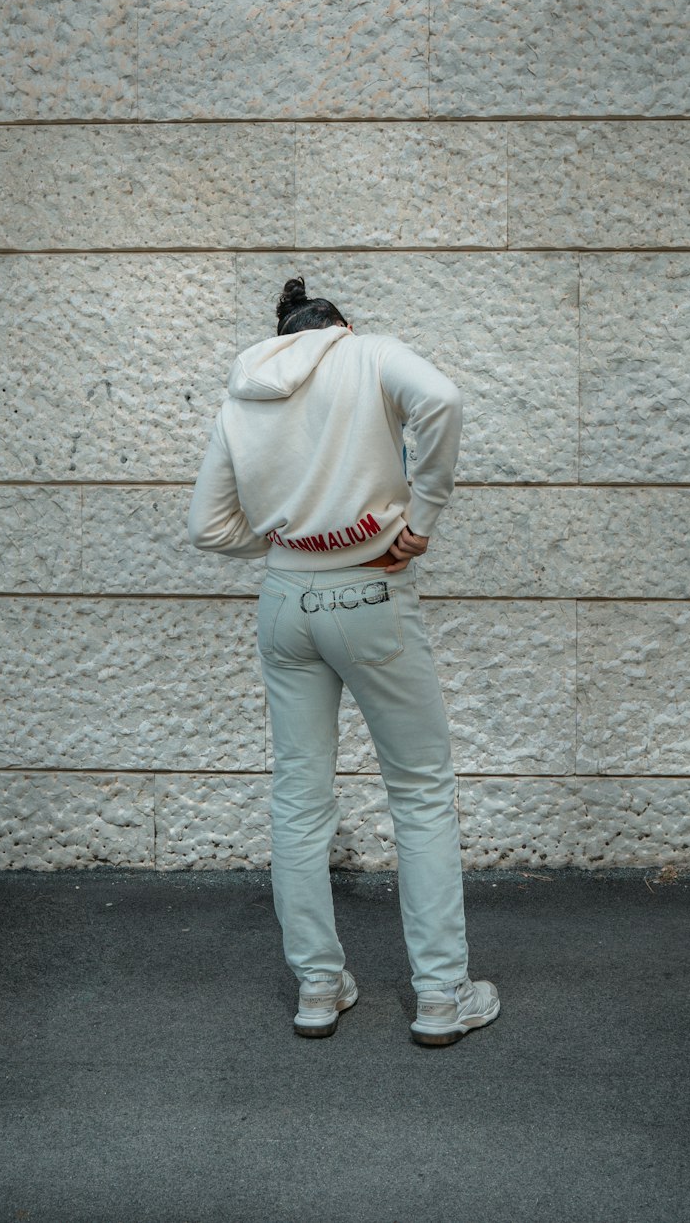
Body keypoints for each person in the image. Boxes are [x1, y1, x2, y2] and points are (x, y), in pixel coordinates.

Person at [188, 276, 499, 1046]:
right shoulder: (369, 353)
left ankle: (319, 988)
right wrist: (419, 520)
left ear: (282, 334)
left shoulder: (242, 395)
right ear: (340, 325)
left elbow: (208, 527)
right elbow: (445, 402)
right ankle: (438, 996)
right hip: (371, 597)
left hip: (285, 603)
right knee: (421, 791)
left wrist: (292, 538)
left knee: (299, 796)